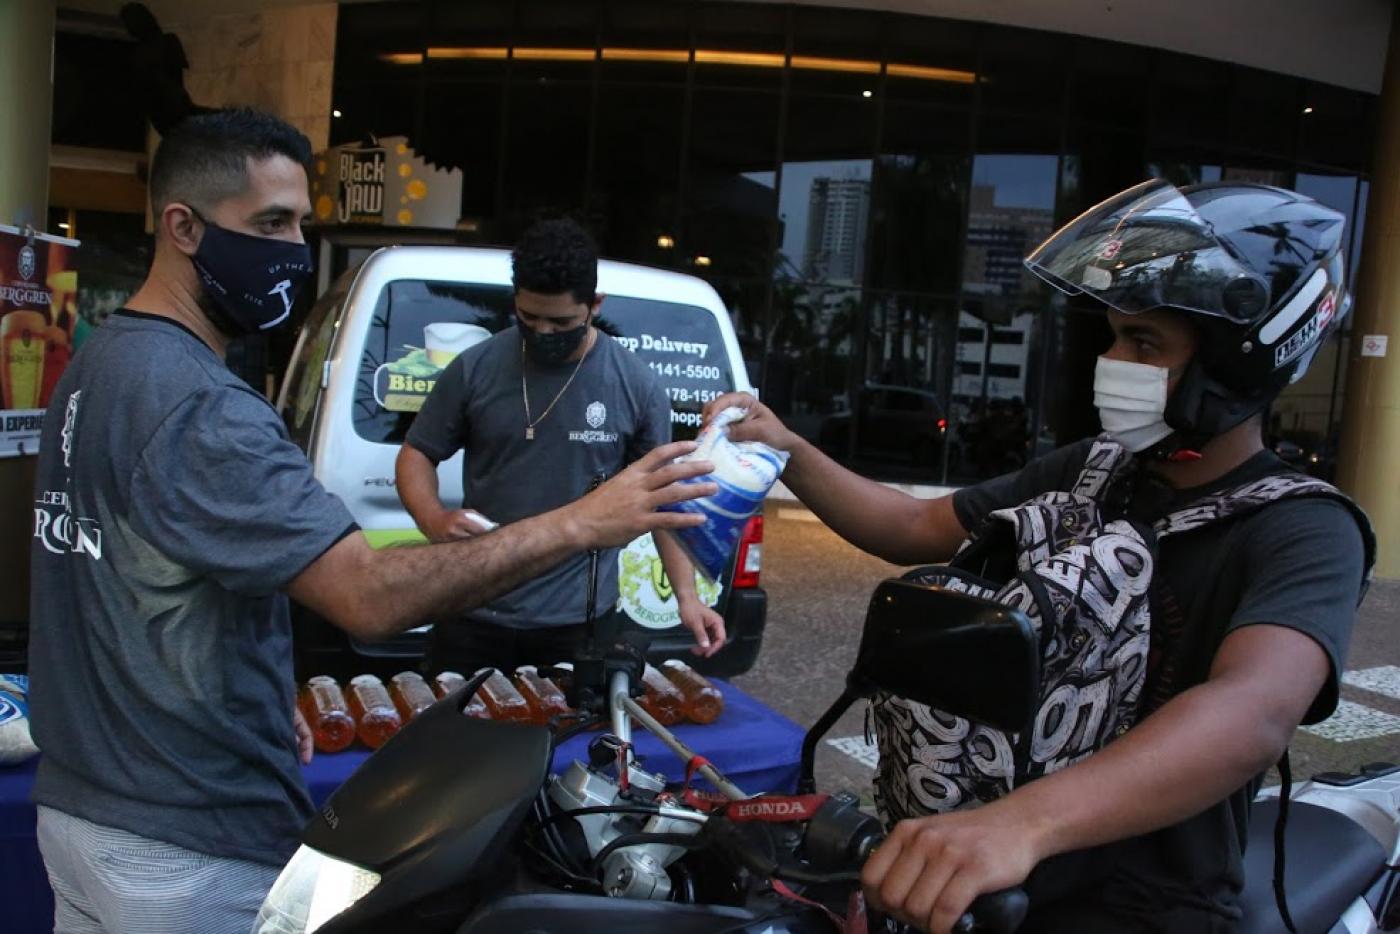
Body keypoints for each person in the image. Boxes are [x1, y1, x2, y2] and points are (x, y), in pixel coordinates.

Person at [27, 109, 714, 934]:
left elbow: (138, 577)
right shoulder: (202, 407)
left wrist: (249, 685)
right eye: (270, 224)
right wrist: (579, 523)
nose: (291, 250)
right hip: (184, 845)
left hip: (82, 813)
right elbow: (366, 597)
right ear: (181, 226)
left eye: (299, 224)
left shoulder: (100, 360)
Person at [703, 180, 1371, 933]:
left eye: (1144, 343)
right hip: (983, 874)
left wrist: (1022, 825)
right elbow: (916, 524)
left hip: (1143, 903)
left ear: (1235, 366)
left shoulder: (1304, 527)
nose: (1114, 360)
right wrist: (789, 450)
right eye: (1115, 336)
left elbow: (1251, 711)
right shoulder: (1095, 469)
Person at [395, 218, 724, 677]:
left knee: (569, 745)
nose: (544, 332)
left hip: (578, 626)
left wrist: (688, 600)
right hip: (471, 609)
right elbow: (416, 453)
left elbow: (662, 500)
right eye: (529, 318)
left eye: (562, 321)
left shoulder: (636, 384)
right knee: (456, 742)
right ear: (515, 302)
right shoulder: (476, 367)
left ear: (595, 304)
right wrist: (433, 517)